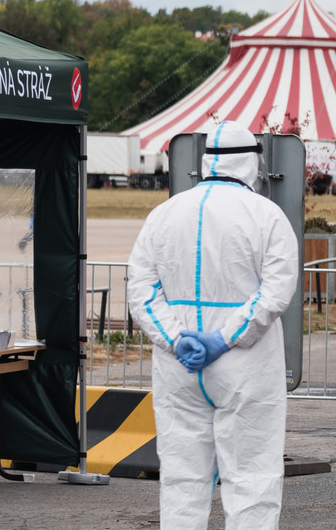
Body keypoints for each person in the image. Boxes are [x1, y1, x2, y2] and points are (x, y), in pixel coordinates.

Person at [127, 121, 299, 530]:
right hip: (246, 365)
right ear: (252, 161)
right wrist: (223, 339)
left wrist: (177, 339)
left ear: (205, 162)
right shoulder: (267, 216)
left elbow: (142, 290)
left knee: (183, 481)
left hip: (179, 367)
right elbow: (276, 291)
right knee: (252, 479)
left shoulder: (163, 214)